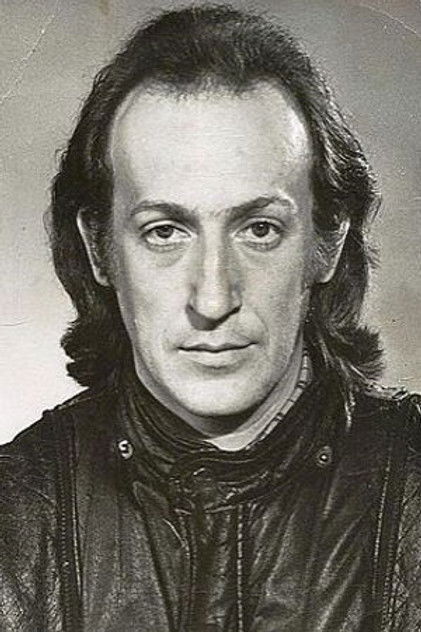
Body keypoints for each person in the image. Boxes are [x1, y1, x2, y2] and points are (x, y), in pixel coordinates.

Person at [1, 4, 420, 631]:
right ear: (99, 248)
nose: (214, 299)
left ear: (328, 241)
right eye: (165, 231)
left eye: (259, 229)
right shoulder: (15, 519)